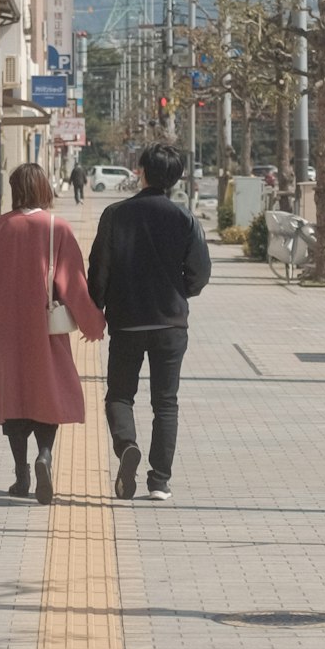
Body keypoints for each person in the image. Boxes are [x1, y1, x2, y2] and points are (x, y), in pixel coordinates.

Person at [0, 164, 105, 505]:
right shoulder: (57, 228)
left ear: (15, 190)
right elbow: (73, 283)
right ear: (44, 188)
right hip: (44, 329)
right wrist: (92, 325)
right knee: (45, 393)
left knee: (12, 397)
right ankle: (45, 455)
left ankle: (21, 472)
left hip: (3, 329)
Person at [87, 141, 211, 502]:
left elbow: (99, 269)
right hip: (171, 323)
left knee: (120, 395)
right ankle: (159, 481)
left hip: (126, 322)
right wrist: (181, 292)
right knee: (166, 402)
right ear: (177, 178)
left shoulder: (115, 215)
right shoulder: (184, 218)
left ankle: (127, 445)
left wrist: (96, 306)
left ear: (140, 171)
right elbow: (200, 273)